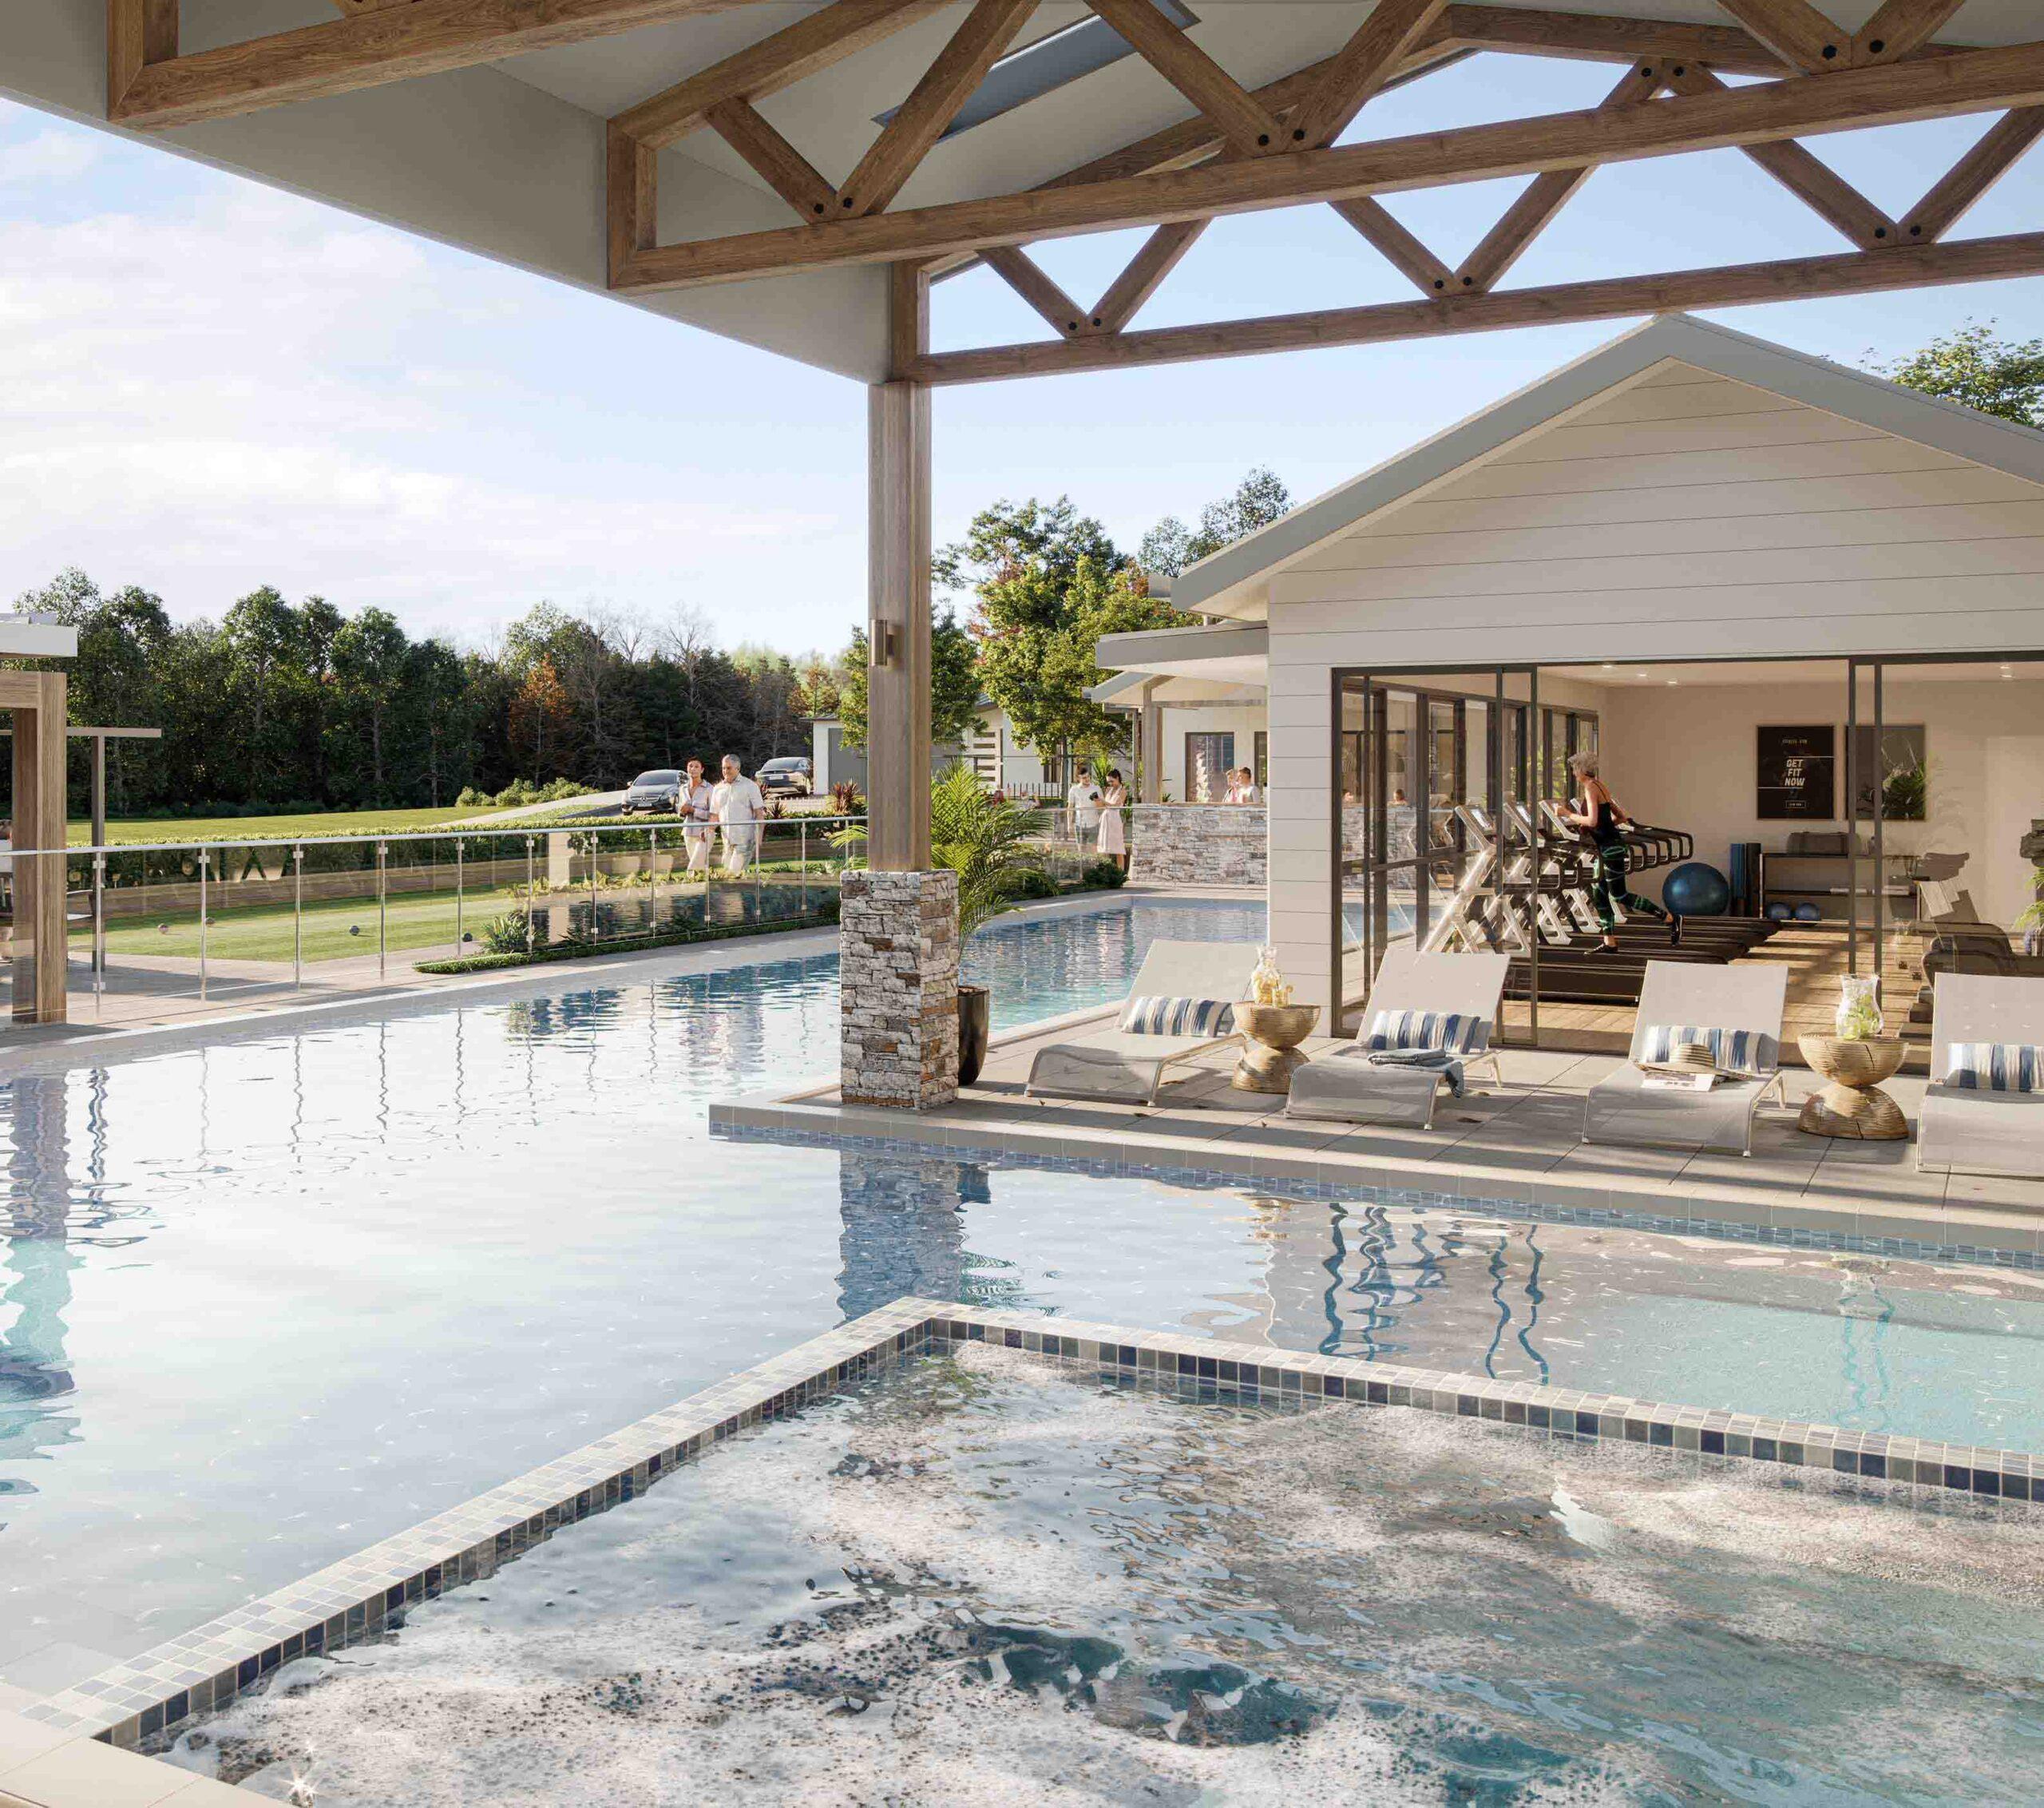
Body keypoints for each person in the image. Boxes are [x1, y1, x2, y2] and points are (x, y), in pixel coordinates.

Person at [1559, 749, 1681, 952]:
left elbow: (1592, 820)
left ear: (1581, 769)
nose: (1573, 773)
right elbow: (1622, 816)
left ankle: (1670, 918)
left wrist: (1567, 813)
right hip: (1607, 846)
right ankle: (1609, 942)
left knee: (1620, 896)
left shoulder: (1590, 788)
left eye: (1573, 769)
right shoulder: (1600, 786)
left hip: (1610, 849)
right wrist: (1603, 829)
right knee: (1599, 894)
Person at [711, 754, 766, 878]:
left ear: (738, 768)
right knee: (729, 877)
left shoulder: (750, 786)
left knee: (733, 875)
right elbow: (714, 815)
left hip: (744, 840)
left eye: (729, 768)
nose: (725, 771)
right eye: (724, 768)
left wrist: (759, 837)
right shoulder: (718, 789)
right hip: (727, 841)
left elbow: (759, 814)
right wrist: (708, 832)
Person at [679, 758, 715, 876]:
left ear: (702, 770)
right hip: (688, 833)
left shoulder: (709, 789)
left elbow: (713, 814)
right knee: (700, 866)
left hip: (704, 833)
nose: (693, 769)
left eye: (696, 767)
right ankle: (703, 891)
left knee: (694, 865)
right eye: (690, 766)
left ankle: (689, 886)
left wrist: (693, 810)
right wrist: (682, 812)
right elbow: (680, 813)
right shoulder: (682, 789)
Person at [1097, 768, 1129, 873]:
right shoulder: (1109, 790)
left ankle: (1121, 873)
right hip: (1105, 818)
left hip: (1115, 819)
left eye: (1112, 781)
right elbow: (1102, 806)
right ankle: (1105, 872)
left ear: (1117, 778)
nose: (1110, 784)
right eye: (1109, 782)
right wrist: (1098, 800)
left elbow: (1115, 806)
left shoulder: (1123, 791)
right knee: (1104, 847)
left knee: (1118, 848)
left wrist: (1103, 800)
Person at [1066, 769, 1102, 844]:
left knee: (1093, 851)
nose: (1087, 779)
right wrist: (1069, 825)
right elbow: (1070, 808)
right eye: (1084, 778)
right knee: (1081, 852)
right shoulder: (1074, 789)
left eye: (1088, 777)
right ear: (1078, 778)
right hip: (1079, 825)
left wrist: (1097, 800)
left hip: (1094, 824)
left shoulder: (1097, 788)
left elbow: (1102, 807)